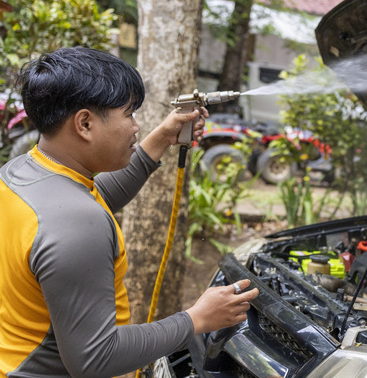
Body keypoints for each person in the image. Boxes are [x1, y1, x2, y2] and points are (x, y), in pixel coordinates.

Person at [0, 47, 260, 377]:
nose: (136, 126)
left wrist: (162, 138)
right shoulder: (78, 223)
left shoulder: (22, 172)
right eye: (129, 115)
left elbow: (96, 197)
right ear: (84, 123)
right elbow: (96, 359)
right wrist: (197, 318)